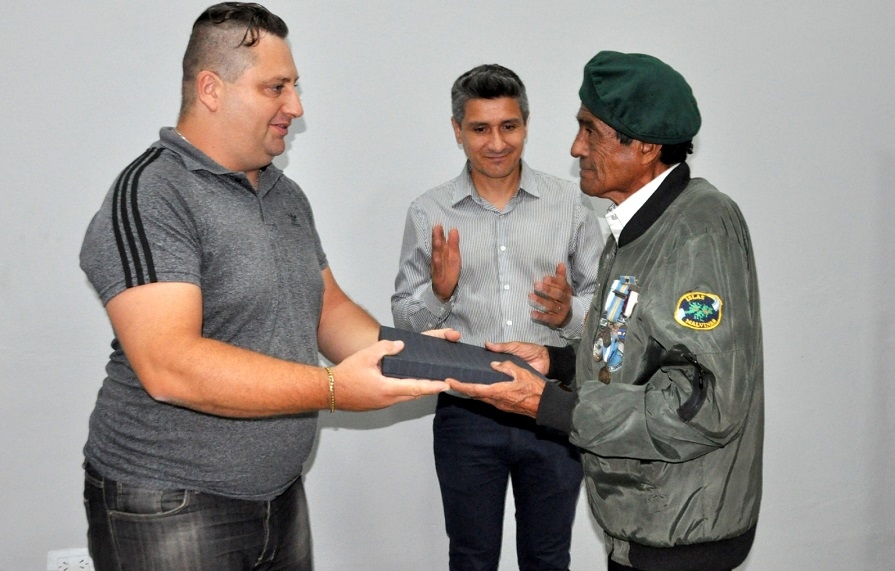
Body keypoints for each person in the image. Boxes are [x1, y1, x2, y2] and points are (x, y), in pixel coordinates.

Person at [78, 3, 451, 569]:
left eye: (294, 86)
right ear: (211, 89)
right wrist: (333, 389)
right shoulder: (152, 192)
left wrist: (432, 360)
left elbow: (327, 312)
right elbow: (168, 364)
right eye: (276, 87)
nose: (295, 107)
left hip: (279, 496)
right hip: (167, 502)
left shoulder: (283, 194)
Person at [450, 51, 764, 571]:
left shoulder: (698, 228)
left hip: (682, 536)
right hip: (646, 525)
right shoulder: (634, 229)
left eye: (589, 131)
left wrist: (550, 406)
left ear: (645, 146)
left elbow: (706, 404)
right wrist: (557, 362)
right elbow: (635, 354)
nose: (576, 148)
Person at [392, 64, 602, 570]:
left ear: (526, 125)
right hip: (467, 415)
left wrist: (569, 314)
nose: (496, 143)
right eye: (480, 128)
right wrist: (439, 294)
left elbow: (608, 310)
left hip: (553, 408)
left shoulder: (571, 205)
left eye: (509, 126)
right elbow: (405, 323)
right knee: (471, 557)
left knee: (548, 557)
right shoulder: (428, 212)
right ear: (457, 130)